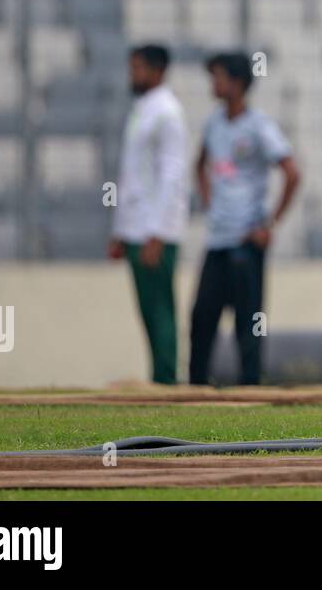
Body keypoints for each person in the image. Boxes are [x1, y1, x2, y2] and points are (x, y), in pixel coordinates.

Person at [189, 52, 300, 386]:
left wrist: (269, 224)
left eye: (219, 77)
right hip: (218, 239)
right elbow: (199, 165)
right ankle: (195, 389)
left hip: (246, 242)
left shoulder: (259, 126)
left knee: (248, 323)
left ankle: (250, 388)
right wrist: (210, 202)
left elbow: (292, 173)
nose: (214, 84)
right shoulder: (213, 122)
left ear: (237, 83)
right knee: (202, 317)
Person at [108, 44, 189, 385]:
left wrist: (157, 232)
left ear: (157, 71)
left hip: (155, 231)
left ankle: (167, 381)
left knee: (160, 311)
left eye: (139, 68)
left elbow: (172, 175)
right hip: (136, 229)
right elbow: (133, 178)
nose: (133, 75)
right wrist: (120, 230)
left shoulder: (167, 113)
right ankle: (159, 378)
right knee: (147, 310)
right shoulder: (143, 109)